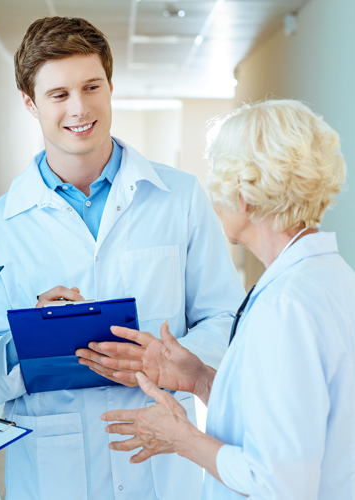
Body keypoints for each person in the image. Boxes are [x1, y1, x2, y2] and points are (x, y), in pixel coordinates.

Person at [0, 16, 245, 500]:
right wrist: (28, 334)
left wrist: (174, 361)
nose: (79, 108)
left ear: (111, 86)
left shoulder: (178, 197)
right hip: (55, 474)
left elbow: (225, 317)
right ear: (30, 103)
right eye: (58, 94)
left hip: (162, 465)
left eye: (92, 86)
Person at [95, 99, 355, 500]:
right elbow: (290, 419)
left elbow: (278, 481)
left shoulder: (285, 307)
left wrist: (180, 438)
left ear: (243, 194)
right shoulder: (330, 279)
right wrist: (200, 379)